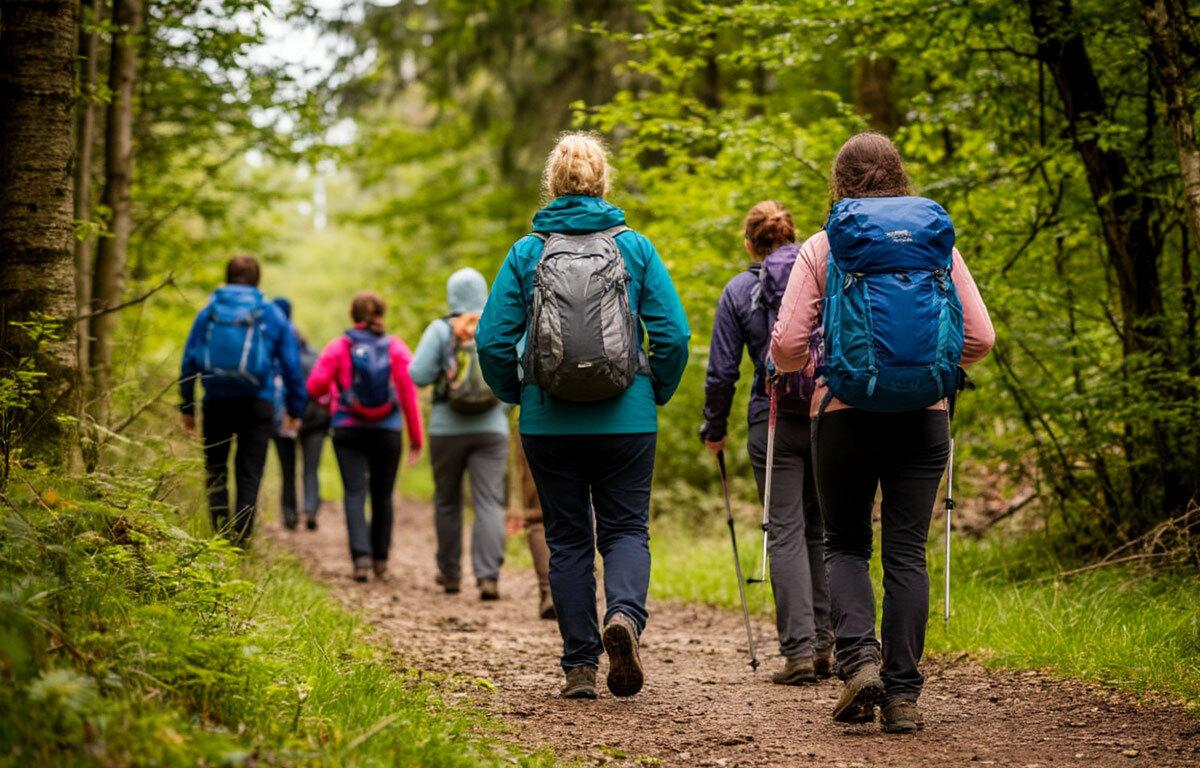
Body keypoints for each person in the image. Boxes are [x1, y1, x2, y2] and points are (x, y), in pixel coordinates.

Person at [771, 132, 995, 733]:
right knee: (905, 552)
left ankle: (859, 662)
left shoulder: (825, 244)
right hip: (925, 416)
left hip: (843, 415)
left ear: (838, 182)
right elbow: (981, 338)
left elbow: (787, 346)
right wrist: (930, 368)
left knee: (845, 542)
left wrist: (814, 363)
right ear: (900, 175)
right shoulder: (936, 243)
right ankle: (902, 697)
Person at [476, 132, 691, 700]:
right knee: (626, 529)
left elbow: (492, 341)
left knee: (568, 539)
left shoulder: (527, 253)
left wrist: (519, 394)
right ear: (603, 182)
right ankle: (623, 617)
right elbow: (673, 334)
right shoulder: (635, 248)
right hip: (628, 418)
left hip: (548, 422)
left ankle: (579, 667)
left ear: (552, 184)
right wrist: (654, 391)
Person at [700, 201, 834, 685]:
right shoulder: (821, 278)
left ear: (749, 244)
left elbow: (722, 373)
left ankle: (798, 653)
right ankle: (826, 644)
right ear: (794, 236)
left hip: (771, 420)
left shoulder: (739, 291)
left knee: (784, 531)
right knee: (822, 529)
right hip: (825, 412)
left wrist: (714, 428)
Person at [179, 255, 306, 546]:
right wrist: (295, 409)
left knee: (216, 470)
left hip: (216, 401)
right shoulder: (271, 313)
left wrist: (187, 405)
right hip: (257, 403)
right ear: (257, 280)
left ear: (227, 277)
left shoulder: (209, 312)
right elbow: (291, 366)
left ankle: (219, 538)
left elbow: (189, 360)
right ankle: (241, 542)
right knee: (249, 472)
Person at [307, 291, 424, 582]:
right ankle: (380, 560)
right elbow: (409, 394)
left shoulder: (339, 347)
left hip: (348, 428)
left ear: (353, 315)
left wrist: (329, 400)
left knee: (354, 494)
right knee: (383, 496)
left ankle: (360, 560)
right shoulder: (396, 348)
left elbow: (315, 385)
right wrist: (416, 437)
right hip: (388, 431)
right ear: (381, 315)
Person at [408, 268, 510, 602]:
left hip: (445, 429)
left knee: (447, 501)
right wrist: (499, 410)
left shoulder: (441, 329)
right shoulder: (498, 325)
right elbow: (518, 374)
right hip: (491, 429)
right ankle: (488, 577)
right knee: (489, 501)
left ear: (451, 294)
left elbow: (418, 375)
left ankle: (451, 574)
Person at [269, 297, 328, 532]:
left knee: (288, 470)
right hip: (315, 419)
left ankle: (289, 514)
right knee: (311, 468)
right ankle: (310, 509)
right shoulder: (312, 353)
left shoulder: (275, 350)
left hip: (284, 418)